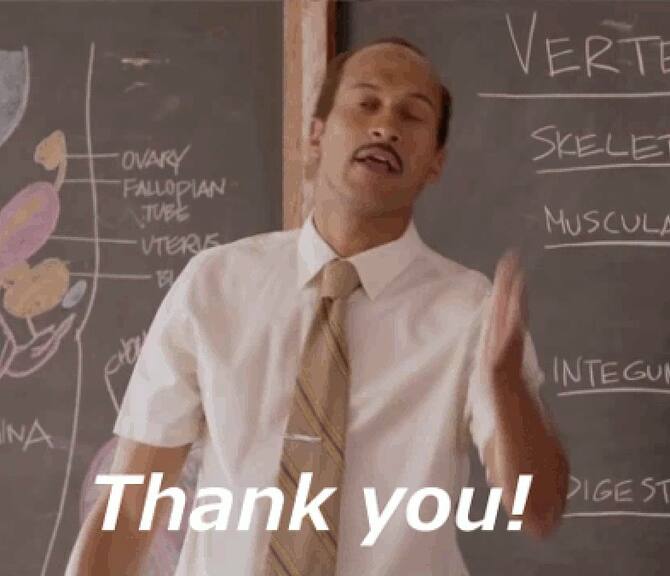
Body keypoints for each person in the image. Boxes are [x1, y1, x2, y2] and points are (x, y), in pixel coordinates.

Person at [66, 37, 569, 576]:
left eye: (412, 115)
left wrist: (506, 384)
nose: (386, 127)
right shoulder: (215, 284)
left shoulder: (471, 313)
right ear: (315, 135)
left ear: (436, 163)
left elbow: (537, 508)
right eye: (366, 103)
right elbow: (131, 506)